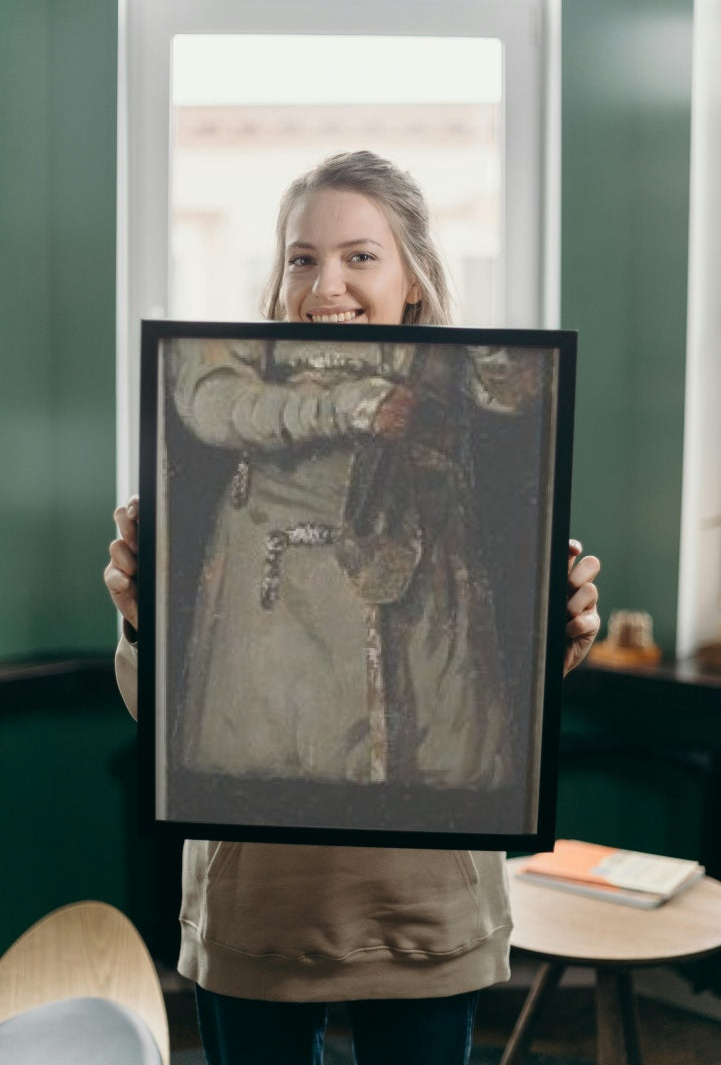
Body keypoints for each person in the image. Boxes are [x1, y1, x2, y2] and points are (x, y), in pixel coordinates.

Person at [105, 151, 601, 1065]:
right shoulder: (224, 402)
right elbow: (168, 722)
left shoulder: (471, 415)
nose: (324, 283)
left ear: (413, 276)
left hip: (423, 903)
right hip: (260, 904)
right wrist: (142, 621)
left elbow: (492, 702)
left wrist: (555, 637)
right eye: (301, 257)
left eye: (359, 257)